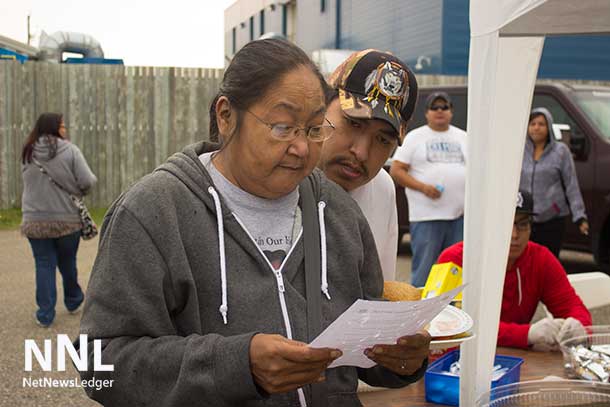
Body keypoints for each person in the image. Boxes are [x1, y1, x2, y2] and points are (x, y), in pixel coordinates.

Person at [78, 39, 430, 407]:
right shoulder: (153, 213)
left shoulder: (338, 210)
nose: (301, 148)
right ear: (226, 116)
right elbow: (99, 363)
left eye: (312, 130)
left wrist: (402, 360)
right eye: (283, 127)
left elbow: (359, 354)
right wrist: (236, 364)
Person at [437, 190, 591, 351]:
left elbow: (573, 306)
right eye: (505, 223)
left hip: (517, 358)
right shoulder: (456, 258)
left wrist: (579, 325)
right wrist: (525, 334)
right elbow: (449, 324)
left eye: (522, 224)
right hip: (463, 358)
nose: (514, 235)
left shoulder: (541, 258)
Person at [318, 49, 418, 282]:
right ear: (322, 106)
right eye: (354, 123)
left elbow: (381, 291)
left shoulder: (382, 189)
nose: (361, 153)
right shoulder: (277, 179)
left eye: (383, 140)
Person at [20, 113, 97, 327]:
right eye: (62, 126)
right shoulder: (70, 150)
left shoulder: (28, 151)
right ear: (55, 128)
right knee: (67, 262)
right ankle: (73, 300)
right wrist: (76, 190)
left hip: (34, 220)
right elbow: (88, 180)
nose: (64, 129)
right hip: (67, 219)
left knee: (44, 264)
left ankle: (45, 314)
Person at [390, 92, 467, 287]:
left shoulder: (464, 137)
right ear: (427, 113)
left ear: (451, 112)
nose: (440, 111)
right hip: (426, 218)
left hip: (459, 218)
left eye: (444, 107)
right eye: (435, 107)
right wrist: (423, 188)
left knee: (454, 272)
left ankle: (451, 314)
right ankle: (419, 313)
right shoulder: (415, 137)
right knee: (423, 271)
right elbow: (397, 171)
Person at [519, 107, 589, 258]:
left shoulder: (561, 151)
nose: (536, 128)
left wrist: (580, 217)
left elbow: (571, 184)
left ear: (549, 127)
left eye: (541, 124)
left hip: (552, 218)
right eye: (533, 124)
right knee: (527, 260)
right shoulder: (520, 150)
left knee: (547, 261)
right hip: (526, 218)